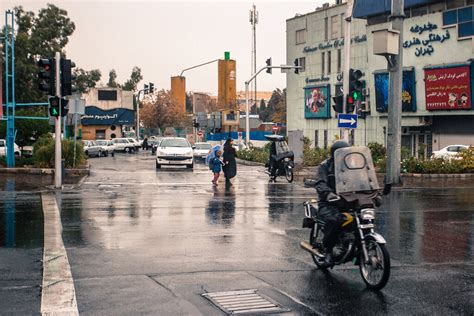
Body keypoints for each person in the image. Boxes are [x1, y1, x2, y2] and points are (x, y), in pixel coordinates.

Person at [315, 140, 350, 267]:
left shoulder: (351, 165)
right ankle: (328, 251)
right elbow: (320, 182)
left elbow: (362, 179)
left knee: (364, 216)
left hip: (348, 200)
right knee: (334, 220)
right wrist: (328, 194)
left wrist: (374, 194)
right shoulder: (325, 166)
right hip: (329, 202)